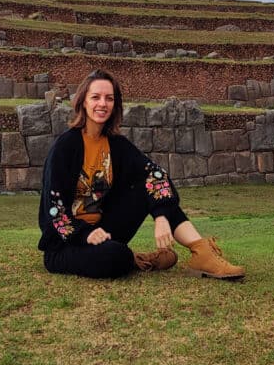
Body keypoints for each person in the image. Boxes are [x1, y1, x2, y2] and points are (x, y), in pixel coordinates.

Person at [37, 69, 245, 280]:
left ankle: (202, 252)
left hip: (104, 231)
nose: (102, 104)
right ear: (83, 102)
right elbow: (54, 208)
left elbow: (155, 174)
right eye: (95, 97)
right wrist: (86, 233)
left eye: (109, 98)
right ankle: (137, 259)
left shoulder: (116, 144)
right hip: (66, 243)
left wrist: (161, 215)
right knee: (114, 256)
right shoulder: (66, 146)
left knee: (153, 187)